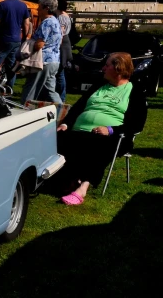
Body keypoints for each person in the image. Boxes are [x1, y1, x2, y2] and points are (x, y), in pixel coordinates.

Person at [56, 53, 139, 205]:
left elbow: (136, 123)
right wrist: (66, 124)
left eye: (107, 65)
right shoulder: (99, 85)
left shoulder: (134, 91)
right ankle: (65, 178)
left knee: (99, 145)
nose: (103, 68)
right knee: (56, 138)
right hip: (78, 131)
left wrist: (111, 129)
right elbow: (78, 107)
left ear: (118, 69)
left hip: (111, 136)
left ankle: (83, 187)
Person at [20, 0, 62, 104]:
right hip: (54, 61)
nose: (38, 9)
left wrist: (28, 49)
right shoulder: (55, 21)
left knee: (31, 89)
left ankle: (24, 110)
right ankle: (62, 111)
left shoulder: (47, 22)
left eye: (40, 7)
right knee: (50, 91)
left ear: (46, 8)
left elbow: (40, 44)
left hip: (43, 61)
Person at [55, 0, 73, 102]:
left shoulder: (61, 17)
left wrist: (56, 46)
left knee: (60, 72)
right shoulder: (64, 15)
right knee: (60, 72)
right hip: (64, 43)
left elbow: (61, 34)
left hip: (62, 44)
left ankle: (61, 97)